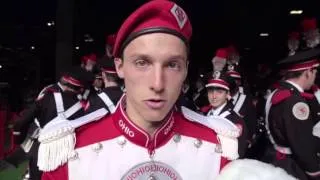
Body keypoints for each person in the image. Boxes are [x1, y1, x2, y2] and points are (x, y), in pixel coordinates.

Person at [41, 1, 241, 179]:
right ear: (119, 66)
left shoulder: (219, 147)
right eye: (142, 63)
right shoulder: (69, 150)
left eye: (172, 65)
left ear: (186, 69)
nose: (157, 84)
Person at [13, 67, 96, 180]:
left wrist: (18, 139)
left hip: (40, 149)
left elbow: (22, 121)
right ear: (79, 88)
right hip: (65, 154)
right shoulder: (82, 107)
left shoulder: (47, 95)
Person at [265, 47, 320, 179]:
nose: (315, 76)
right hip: (293, 165)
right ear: (307, 72)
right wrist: (315, 171)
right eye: (314, 72)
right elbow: (302, 145)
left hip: (279, 159)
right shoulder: (295, 101)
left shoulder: (277, 92)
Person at [200, 72, 248, 157]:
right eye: (211, 91)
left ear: (227, 94)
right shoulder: (203, 113)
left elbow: (238, 155)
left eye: (219, 92)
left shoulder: (235, 121)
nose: (214, 96)